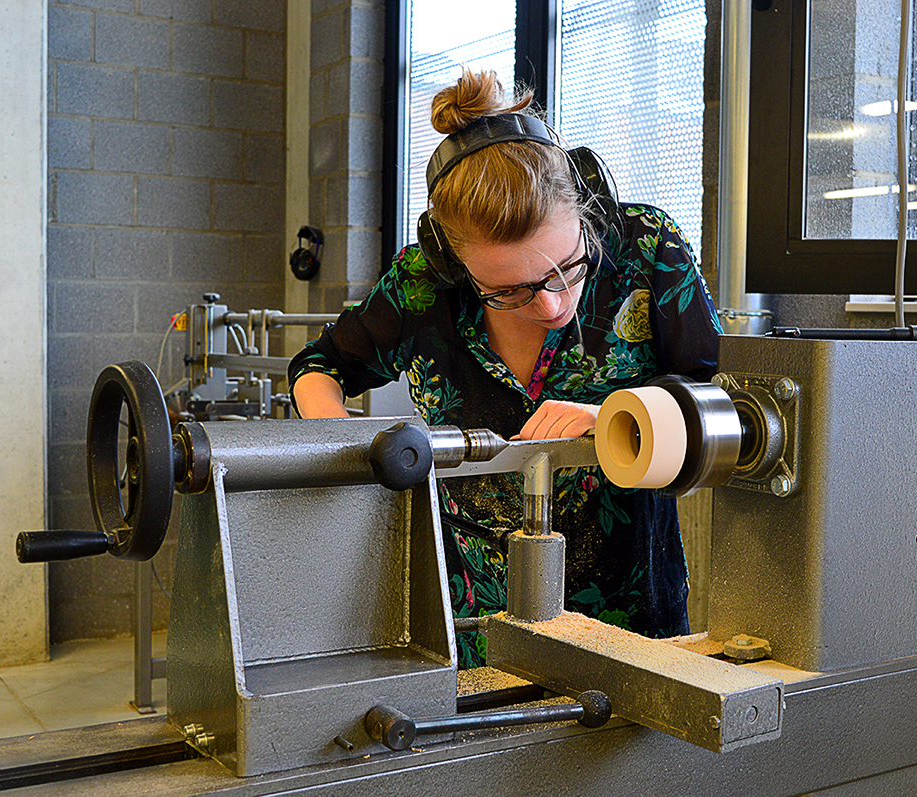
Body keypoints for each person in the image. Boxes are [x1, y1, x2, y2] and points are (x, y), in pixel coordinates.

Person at [289, 68, 722, 668]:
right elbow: (319, 365)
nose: (552, 304)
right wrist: (342, 443)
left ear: (583, 205)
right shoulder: (421, 285)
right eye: (510, 291)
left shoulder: (647, 251)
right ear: (454, 264)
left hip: (633, 632)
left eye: (569, 266)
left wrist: (620, 417)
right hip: (475, 628)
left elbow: (726, 402)